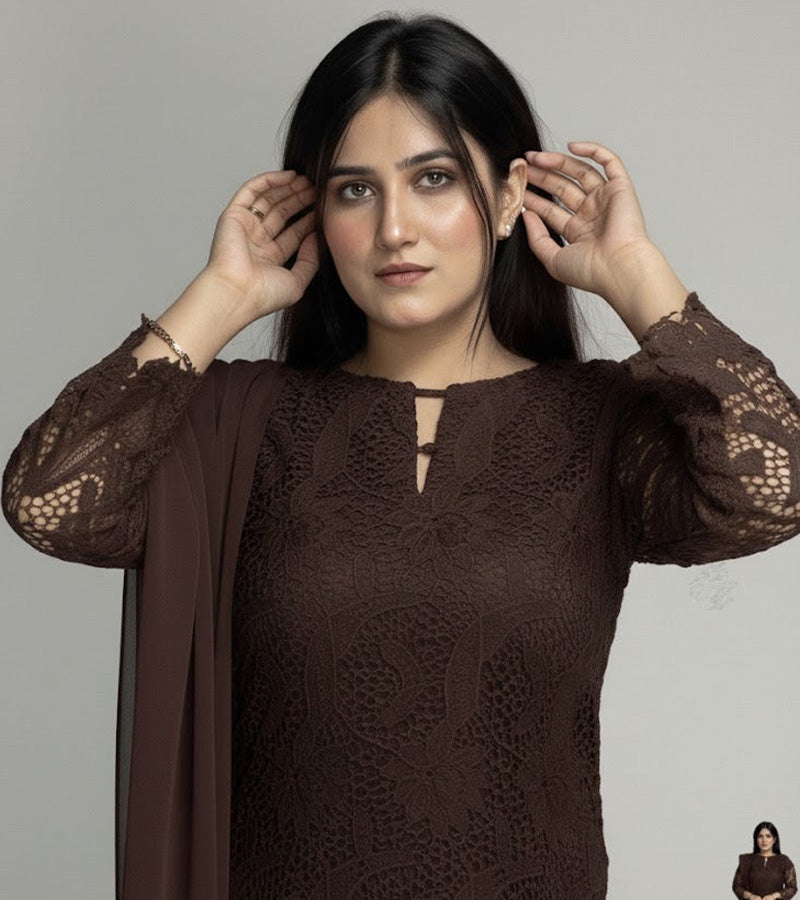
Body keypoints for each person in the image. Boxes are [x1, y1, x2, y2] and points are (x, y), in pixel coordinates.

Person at [3, 12, 800, 900]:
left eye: (433, 179)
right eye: (354, 191)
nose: (394, 229)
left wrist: (637, 272)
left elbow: (774, 491)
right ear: (316, 212)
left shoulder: (599, 423)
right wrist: (220, 294)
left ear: (508, 196)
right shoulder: (243, 424)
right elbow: (49, 502)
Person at [733, 822, 798, 900]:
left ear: (774, 839)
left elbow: (792, 888)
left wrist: (773, 896)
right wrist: (751, 896)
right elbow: (737, 886)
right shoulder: (747, 860)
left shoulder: (784, 861)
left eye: (768, 836)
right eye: (760, 836)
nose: (764, 840)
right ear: (756, 839)